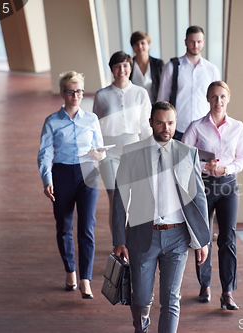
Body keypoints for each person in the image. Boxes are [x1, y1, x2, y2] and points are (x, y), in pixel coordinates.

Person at [112, 101, 210, 333]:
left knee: (171, 300)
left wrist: (202, 240)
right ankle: (141, 327)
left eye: (170, 123)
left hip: (177, 236)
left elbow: (199, 199)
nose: (166, 128)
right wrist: (119, 239)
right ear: (151, 123)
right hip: (142, 236)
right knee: (141, 300)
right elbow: (120, 199)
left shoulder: (188, 153)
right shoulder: (132, 153)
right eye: (160, 122)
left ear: (176, 123)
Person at [38, 71, 107, 299]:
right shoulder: (52, 121)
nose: (75, 95)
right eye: (71, 91)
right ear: (63, 93)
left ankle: (86, 279)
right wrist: (47, 179)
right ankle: (71, 270)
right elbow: (45, 154)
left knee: (87, 228)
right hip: (62, 174)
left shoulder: (91, 119)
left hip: (87, 174)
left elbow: (100, 149)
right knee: (64, 226)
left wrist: (98, 155)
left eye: (79, 91)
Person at [182, 81, 243, 310]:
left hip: (228, 187)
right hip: (202, 187)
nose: (218, 101)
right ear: (207, 99)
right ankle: (205, 285)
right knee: (203, 237)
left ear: (228, 98)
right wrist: (205, 167)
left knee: (227, 238)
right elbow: (184, 157)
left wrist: (226, 169)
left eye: (222, 97)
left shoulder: (238, 127)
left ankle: (228, 292)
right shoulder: (196, 127)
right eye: (214, 97)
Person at [93, 51, 152, 234]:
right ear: (111, 69)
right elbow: (95, 127)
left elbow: (145, 125)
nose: (121, 70)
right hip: (109, 153)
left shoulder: (140, 93)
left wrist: (153, 147)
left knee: (133, 197)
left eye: (125, 65)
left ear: (130, 67)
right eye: (117, 66)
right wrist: (97, 151)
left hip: (134, 151)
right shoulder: (101, 95)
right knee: (116, 198)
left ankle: (131, 241)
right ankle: (119, 244)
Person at [157, 26, 220, 141]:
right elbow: (162, 100)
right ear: (186, 42)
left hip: (204, 130)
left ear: (203, 43)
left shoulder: (212, 70)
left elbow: (218, 100)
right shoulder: (171, 67)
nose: (195, 45)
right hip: (177, 130)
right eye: (192, 41)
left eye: (199, 42)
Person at [129, 31, 164, 104]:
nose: (140, 47)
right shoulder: (129, 65)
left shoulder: (158, 64)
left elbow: (164, 87)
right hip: (134, 106)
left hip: (155, 106)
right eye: (136, 44)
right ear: (132, 47)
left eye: (142, 43)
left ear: (149, 45)